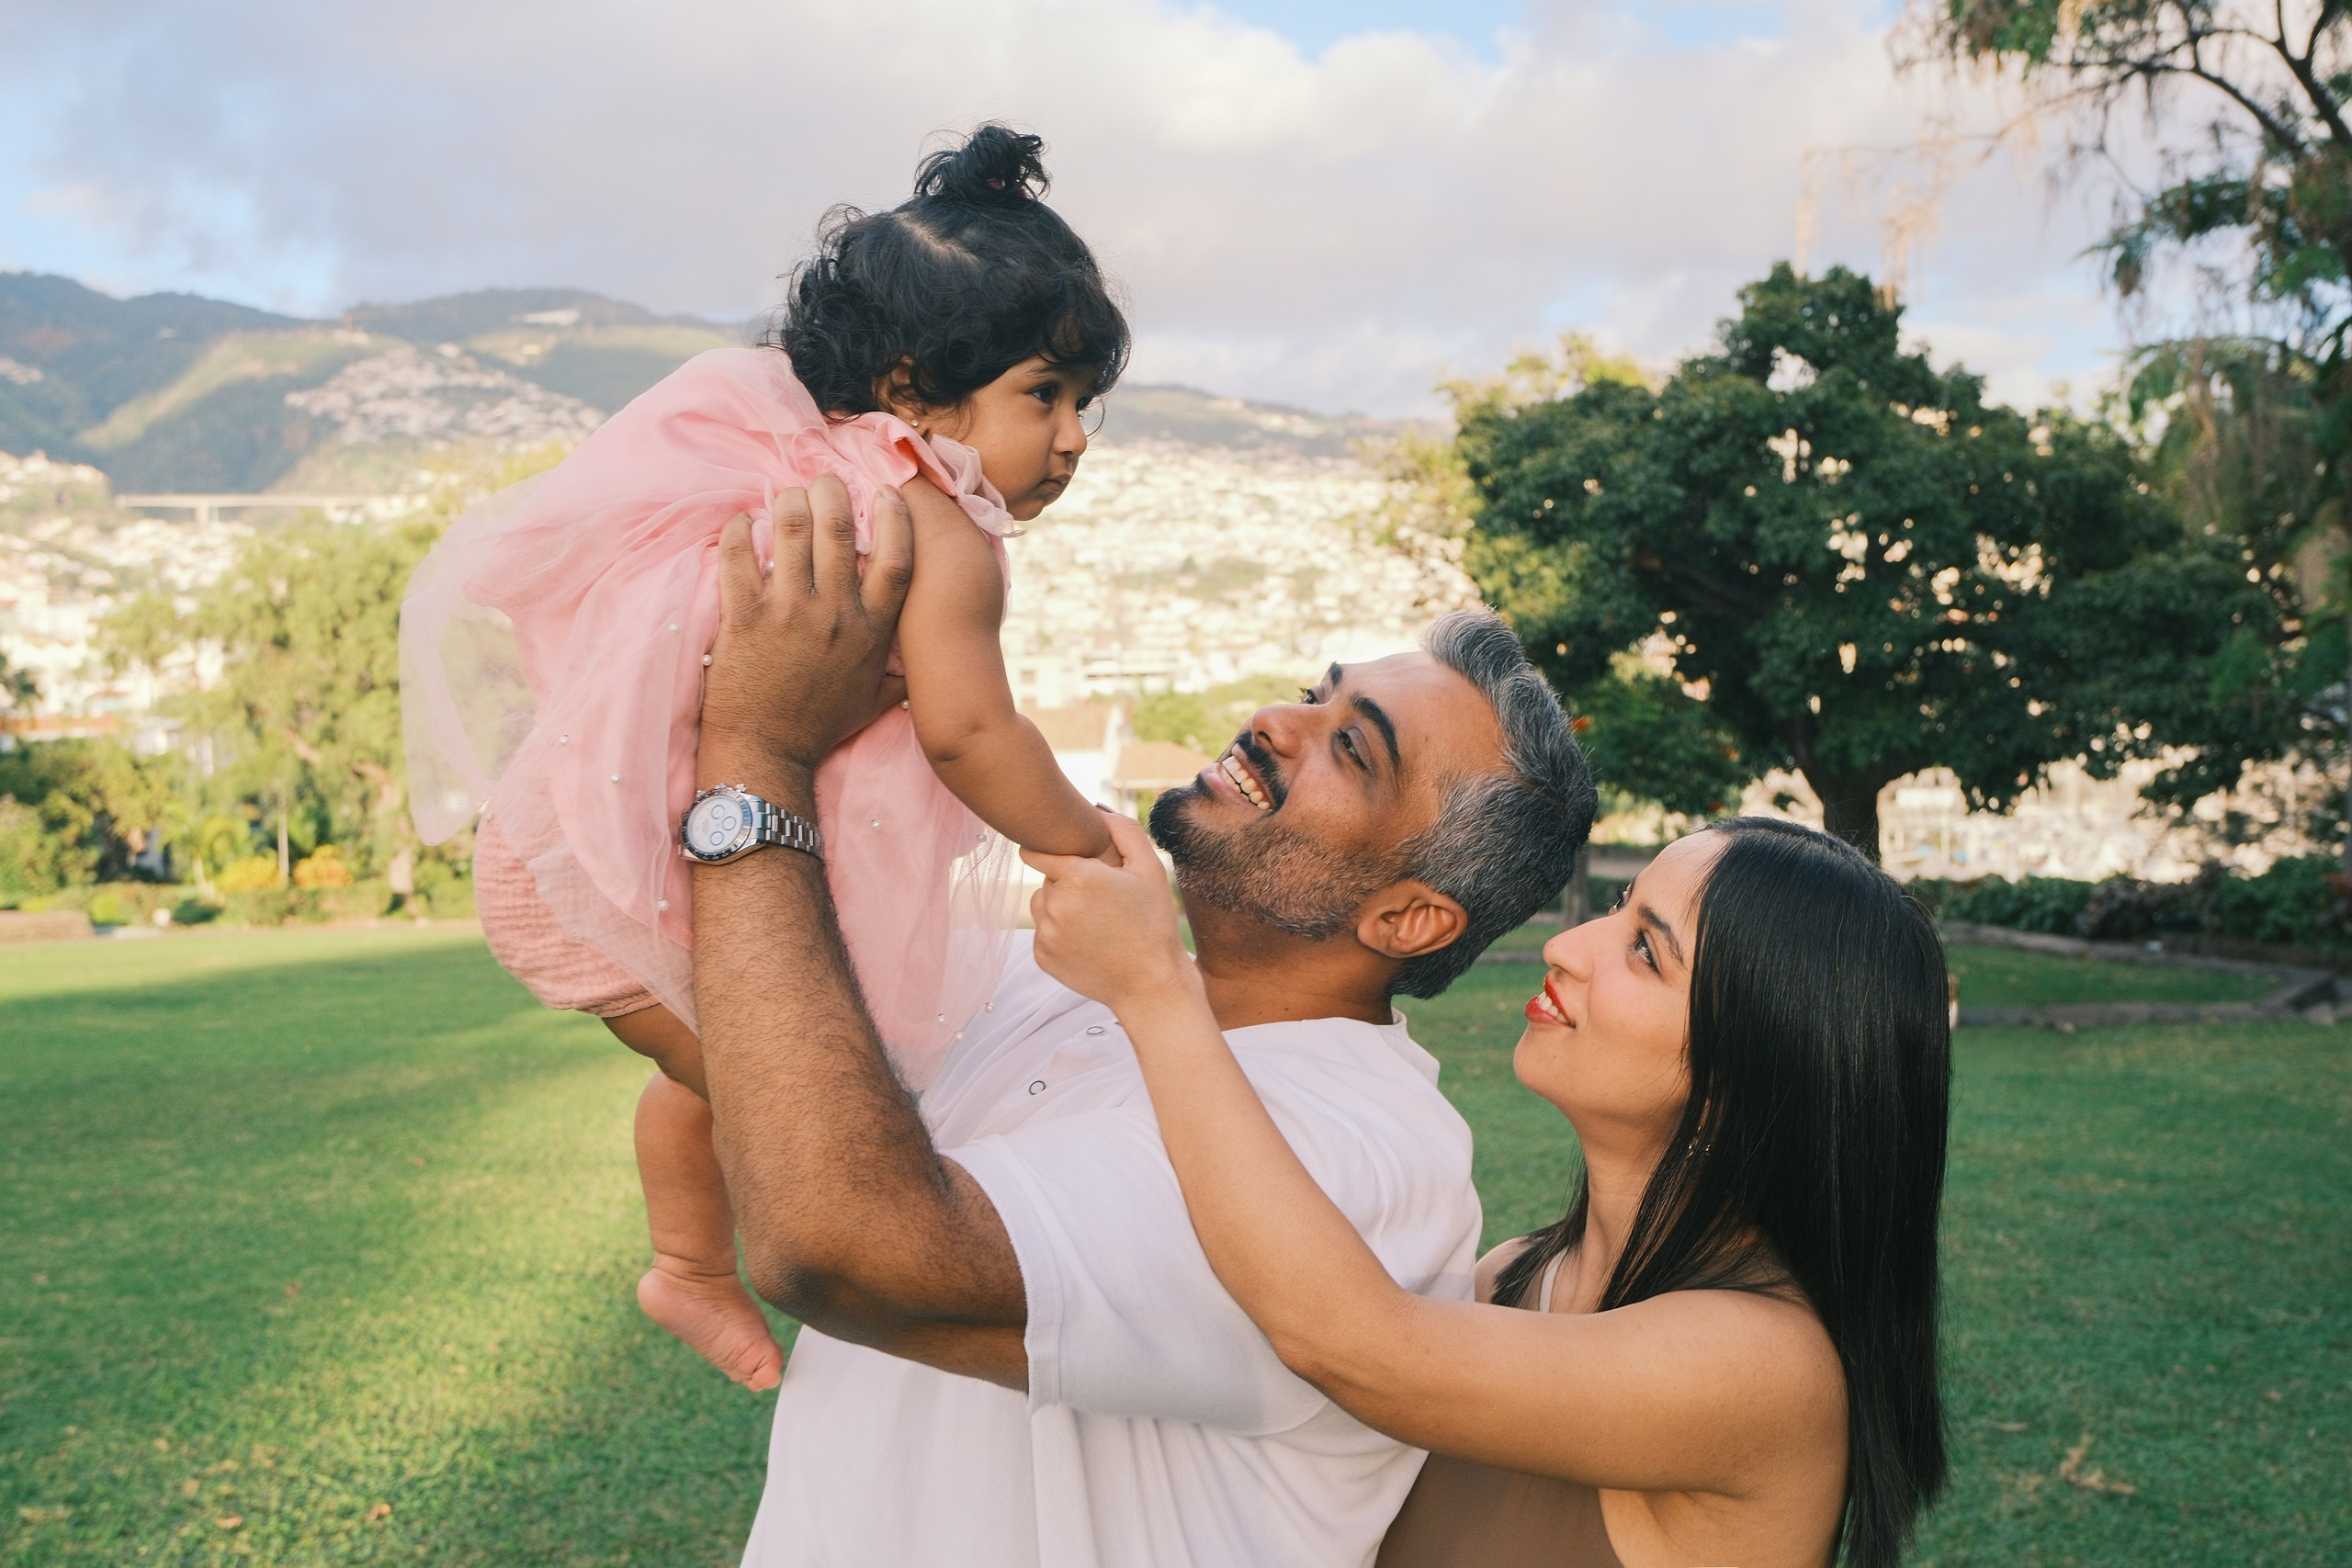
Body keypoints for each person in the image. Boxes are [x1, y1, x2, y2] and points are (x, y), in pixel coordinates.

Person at [686, 479, 1598, 1567]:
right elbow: (773, 1071)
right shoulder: (1072, 980)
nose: (1276, 721)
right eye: (1317, 693)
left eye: (1353, 750)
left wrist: (754, 752)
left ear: (1407, 917)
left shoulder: (1365, 1159)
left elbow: (836, 1245)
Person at [399, 124, 1125, 1393]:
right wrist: (1083, 836)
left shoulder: (810, 467)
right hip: (607, 865)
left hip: (591, 840)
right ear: (912, 387)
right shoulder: (931, 518)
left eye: (1083, 405)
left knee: (742, 1066)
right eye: (1043, 396)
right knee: (782, 1084)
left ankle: (688, 1264)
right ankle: (691, 1265)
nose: (1073, 439)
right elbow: (970, 730)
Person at [1025, 810, 1953, 1567]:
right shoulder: (1515, 1276)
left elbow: (1349, 1343)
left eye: (1645, 951)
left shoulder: (1758, 1367)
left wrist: (1155, 989)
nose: (1570, 946)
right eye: (1618, 908)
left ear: (1752, 1072)